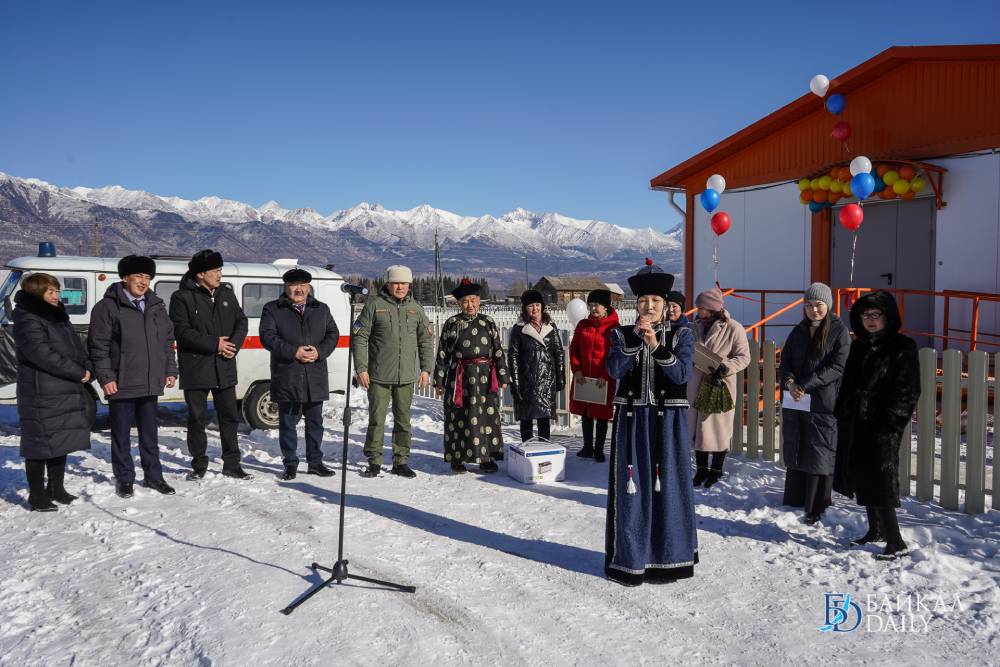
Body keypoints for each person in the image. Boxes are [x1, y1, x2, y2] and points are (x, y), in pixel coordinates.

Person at [605, 260, 696, 586]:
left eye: (655, 301)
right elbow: (613, 370)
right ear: (637, 304)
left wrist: (656, 346)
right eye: (644, 301)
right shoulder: (620, 334)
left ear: (665, 304)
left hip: (668, 422)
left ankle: (670, 560)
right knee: (633, 494)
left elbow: (682, 374)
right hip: (632, 421)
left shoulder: (683, 333)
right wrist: (636, 342)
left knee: (667, 489)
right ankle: (631, 561)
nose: (649, 306)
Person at [834, 291, 921, 561]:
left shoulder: (903, 346)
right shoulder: (859, 346)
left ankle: (896, 541)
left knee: (882, 480)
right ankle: (875, 531)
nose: (870, 321)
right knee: (863, 476)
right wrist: (845, 408)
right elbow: (847, 383)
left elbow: (909, 390)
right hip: (857, 422)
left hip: (883, 425)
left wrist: (891, 421)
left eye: (876, 315)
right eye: (865, 315)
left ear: (888, 316)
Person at [88, 255, 179, 499]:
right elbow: (98, 346)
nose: (143, 282)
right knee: (121, 435)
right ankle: (125, 478)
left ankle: (154, 476)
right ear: (125, 278)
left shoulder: (156, 306)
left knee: (150, 434)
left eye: (148, 277)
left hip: (150, 381)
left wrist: (170, 369)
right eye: (138, 276)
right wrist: (106, 377)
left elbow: (167, 341)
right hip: (122, 382)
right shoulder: (107, 307)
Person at [12, 273, 94, 511]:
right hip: (41, 391)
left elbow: (76, 347)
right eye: (50, 292)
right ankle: (37, 495)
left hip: (63, 388)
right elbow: (42, 354)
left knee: (61, 440)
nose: (56, 296)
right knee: (38, 445)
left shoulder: (58, 316)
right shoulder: (28, 319)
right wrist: (77, 372)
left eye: (57, 291)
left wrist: (87, 366)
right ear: (37, 294)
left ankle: (56, 488)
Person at [169, 249, 251, 480]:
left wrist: (231, 345)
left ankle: (232, 464)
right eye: (216, 271)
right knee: (197, 418)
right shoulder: (181, 297)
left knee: (229, 418)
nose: (220, 275)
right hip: (196, 367)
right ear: (201, 273)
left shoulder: (226, 293)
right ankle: (199, 465)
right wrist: (215, 344)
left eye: (220, 270)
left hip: (224, 365)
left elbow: (241, 321)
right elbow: (182, 332)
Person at [351, 265, 434, 478]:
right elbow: (359, 337)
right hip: (378, 375)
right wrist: (361, 368)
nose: (400, 287)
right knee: (377, 419)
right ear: (388, 284)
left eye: (404, 283)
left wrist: (426, 369)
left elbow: (425, 340)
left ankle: (400, 461)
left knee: (403, 421)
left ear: (409, 285)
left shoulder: (416, 309)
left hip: (405, 376)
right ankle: (374, 460)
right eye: (396, 283)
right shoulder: (375, 305)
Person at [779, 283, 850, 524]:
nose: (813, 310)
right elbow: (785, 360)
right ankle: (795, 498)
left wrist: (805, 385)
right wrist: (789, 383)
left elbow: (837, 367)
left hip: (823, 399)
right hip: (797, 399)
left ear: (827, 305)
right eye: (808, 305)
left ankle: (817, 504)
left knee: (820, 448)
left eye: (818, 305)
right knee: (798, 444)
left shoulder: (838, 331)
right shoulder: (798, 331)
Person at [259, 268, 340, 480]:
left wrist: (320, 351)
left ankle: (315, 462)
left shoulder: (321, 309)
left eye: (303, 285)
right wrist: (293, 352)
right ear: (285, 287)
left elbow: (333, 333)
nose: (299, 289)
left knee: (315, 424)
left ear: (308, 287)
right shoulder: (272, 309)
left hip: (315, 375)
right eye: (294, 285)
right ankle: (290, 463)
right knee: (288, 424)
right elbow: (267, 337)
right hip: (288, 375)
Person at [433, 279, 509, 474]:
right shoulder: (452, 324)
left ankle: (486, 458)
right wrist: (439, 381)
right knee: (459, 417)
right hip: (460, 378)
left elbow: (498, 351)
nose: (470, 305)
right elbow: (443, 353)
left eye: (473, 300)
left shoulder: (488, 322)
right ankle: (458, 459)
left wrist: (503, 376)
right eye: (465, 301)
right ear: (459, 303)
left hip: (485, 378)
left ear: (479, 301)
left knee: (486, 417)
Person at [688, 287, 751, 489]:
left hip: (719, 385)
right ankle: (701, 470)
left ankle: (716, 469)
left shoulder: (734, 328)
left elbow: (744, 357)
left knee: (717, 428)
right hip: (696, 383)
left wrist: (726, 367)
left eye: (702, 307)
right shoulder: (694, 327)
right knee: (697, 427)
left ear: (712, 308)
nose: (698, 310)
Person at [508, 290, 564, 445]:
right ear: (525, 308)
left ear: (542, 306)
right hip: (527, 380)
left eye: (537, 305)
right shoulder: (519, 329)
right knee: (526, 416)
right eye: (531, 305)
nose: (535, 309)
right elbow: (512, 356)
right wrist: (516, 381)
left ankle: (544, 448)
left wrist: (560, 376)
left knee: (544, 417)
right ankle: (528, 448)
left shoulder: (551, 327)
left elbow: (558, 352)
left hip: (546, 380)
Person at [569, 288, 619, 462]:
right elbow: (574, 349)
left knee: (602, 415)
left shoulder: (614, 328)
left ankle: (599, 449)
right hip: (584, 377)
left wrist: (606, 374)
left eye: (597, 305)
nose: (593, 309)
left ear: (606, 307)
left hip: (603, 379)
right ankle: (587, 446)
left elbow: (615, 354)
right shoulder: (583, 325)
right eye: (591, 305)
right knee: (586, 413)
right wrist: (577, 370)